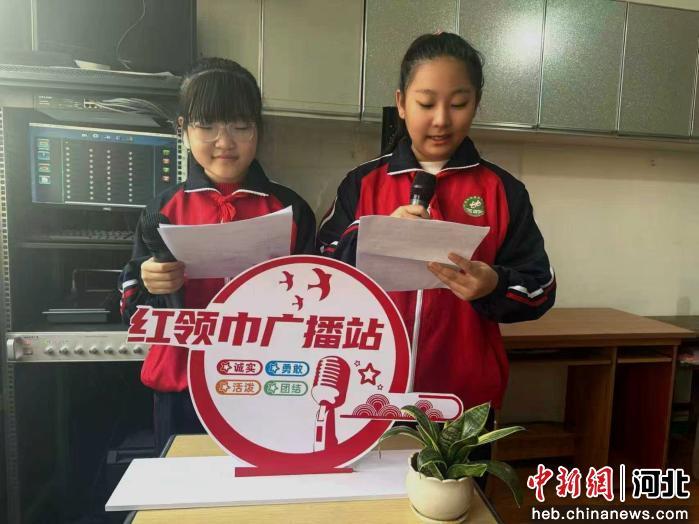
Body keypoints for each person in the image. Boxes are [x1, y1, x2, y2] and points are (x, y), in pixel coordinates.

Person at [317, 32, 555, 415]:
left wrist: (493, 284)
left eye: (458, 104)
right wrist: (373, 236)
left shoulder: (504, 190)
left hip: (463, 399)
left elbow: (540, 288)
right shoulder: (361, 184)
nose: (441, 120)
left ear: (476, 104)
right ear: (401, 103)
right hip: (367, 391)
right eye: (426, 103)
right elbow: (319, 271)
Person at [119, 57, 316, 452]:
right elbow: (130, 310)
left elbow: (320, 303)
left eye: (240, 126)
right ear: (183, 130)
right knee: (185, 488)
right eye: (206, 125)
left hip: (268, 386)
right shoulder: (164, 209)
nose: (224, 142)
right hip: (182, 388)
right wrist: (151, 281)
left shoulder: (291, 210)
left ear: (259, 131)